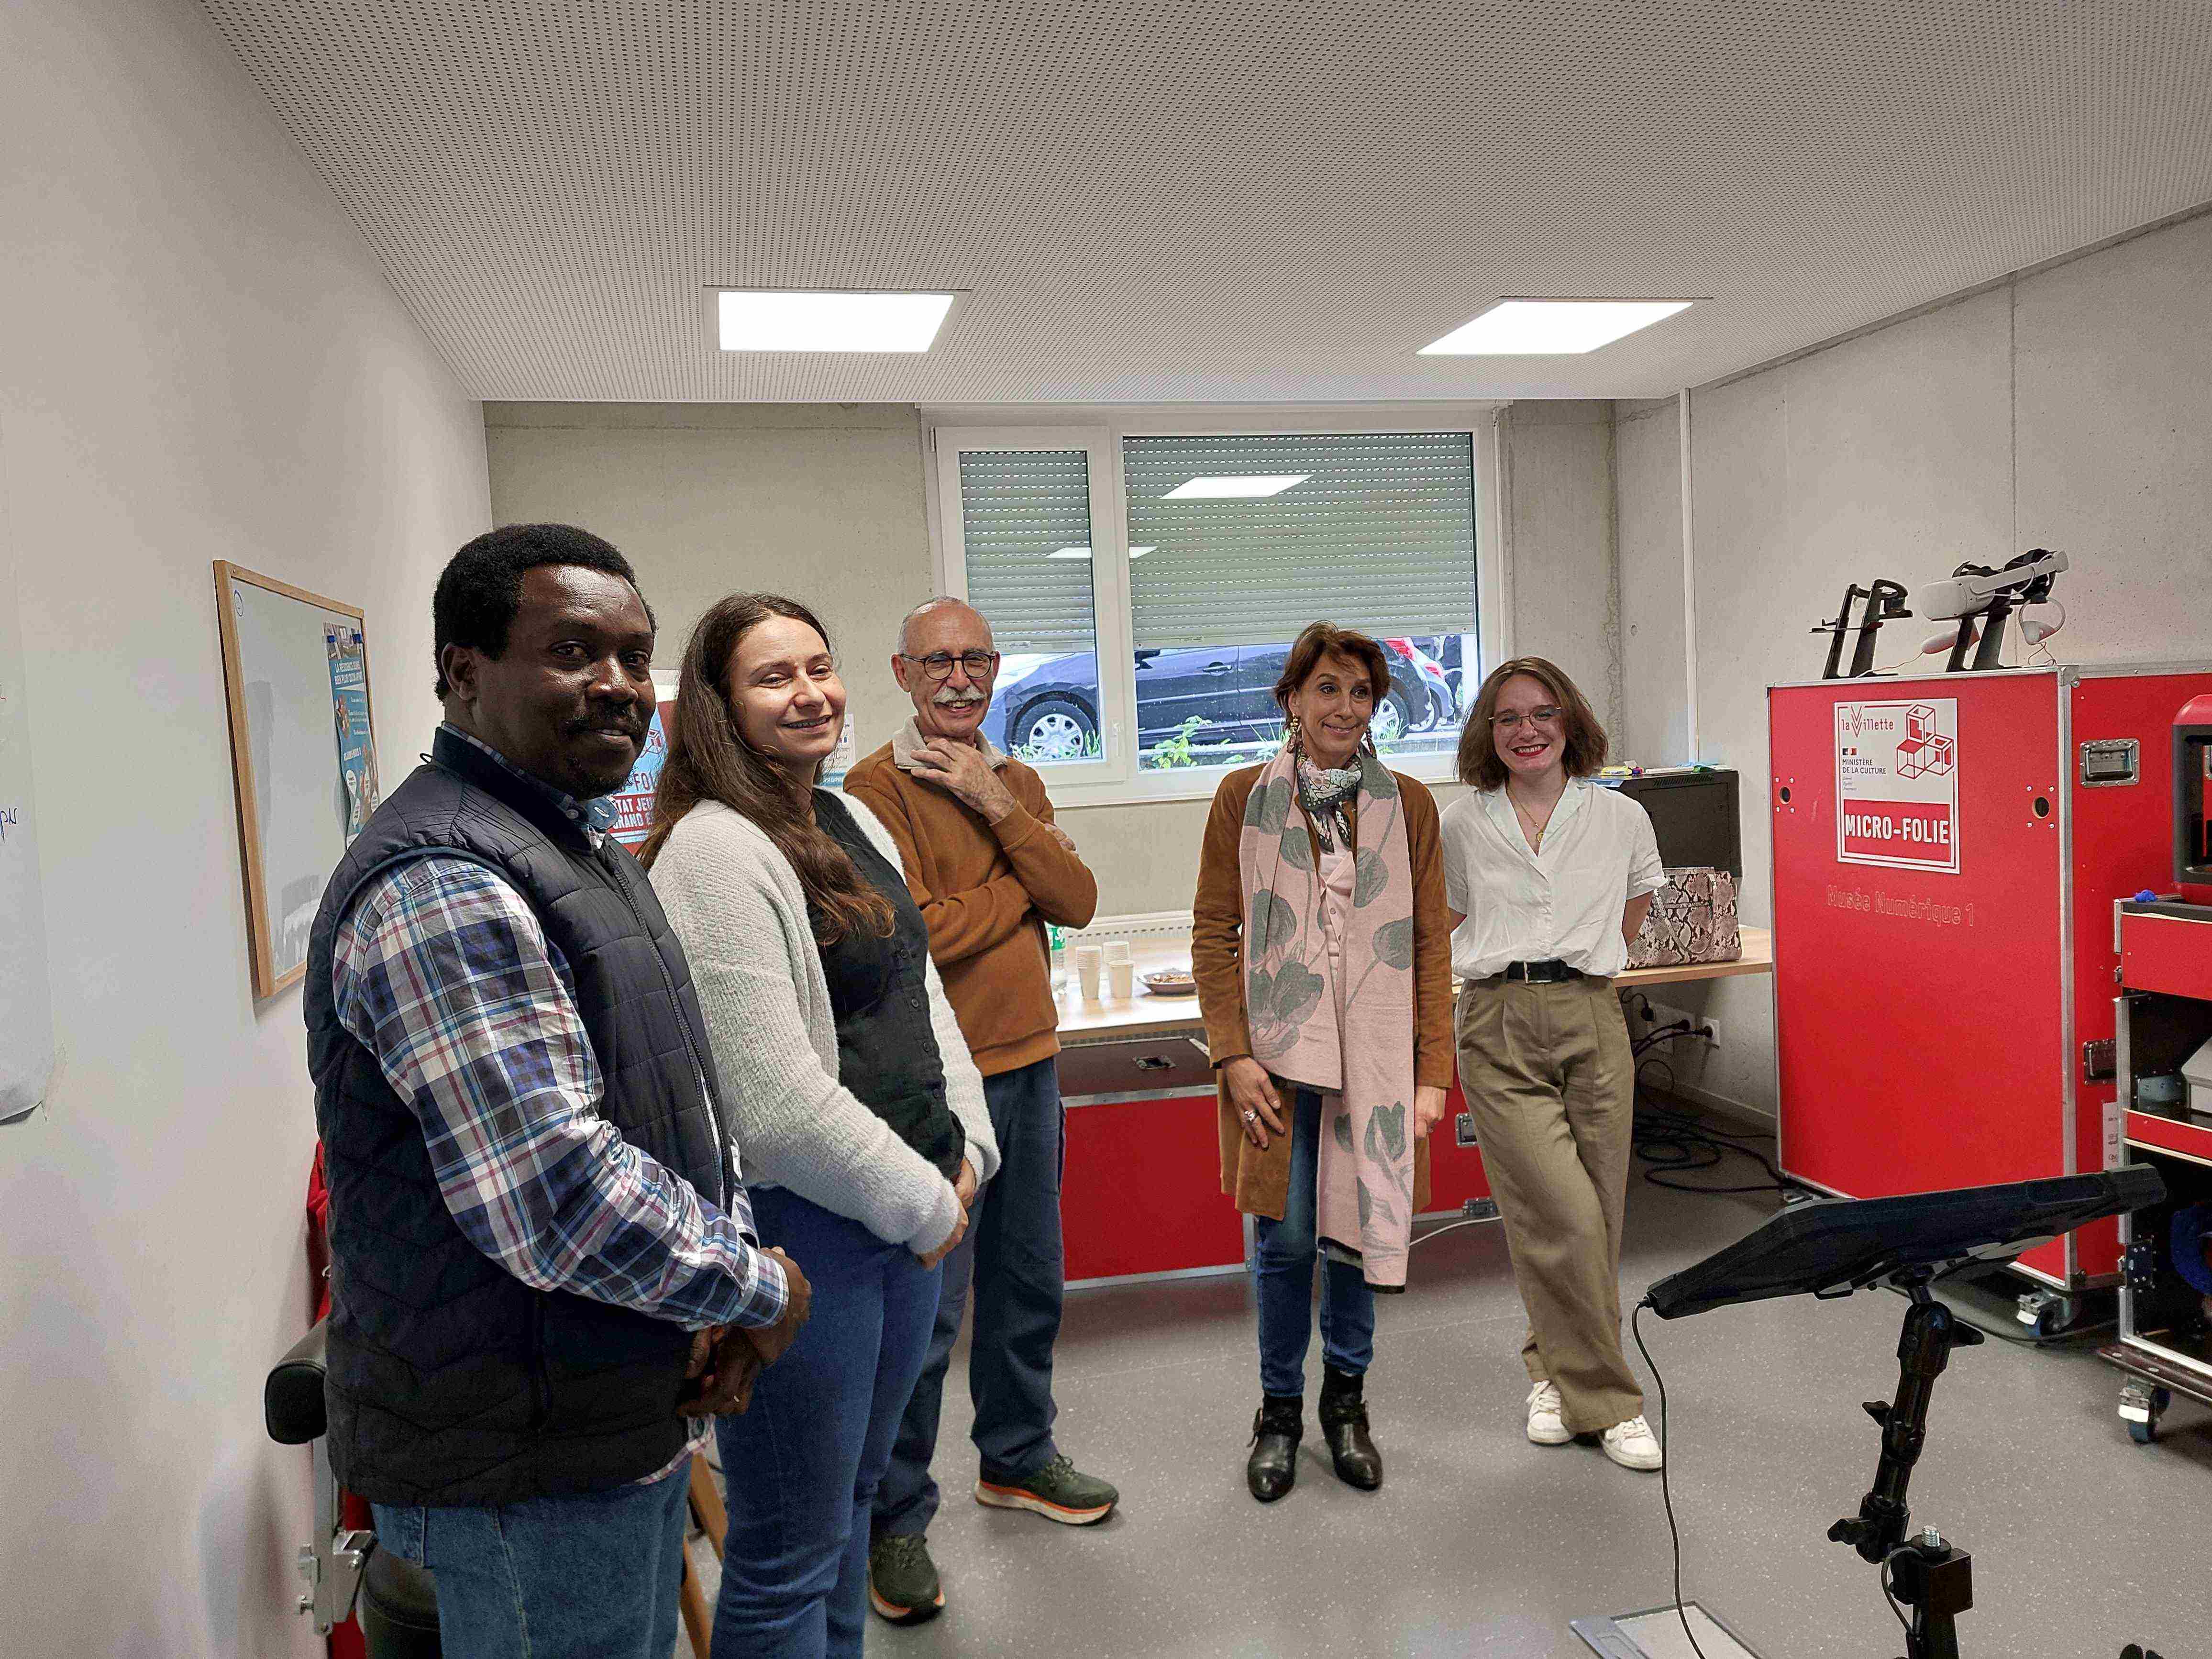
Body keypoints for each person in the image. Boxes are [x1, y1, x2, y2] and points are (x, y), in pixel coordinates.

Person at [305, 524, 810, 1659]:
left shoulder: (577, 845)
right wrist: (752, 1287)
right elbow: (557, 1195)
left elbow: (670, 1108)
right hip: (518, 1472)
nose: (620, 687)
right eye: (575, 652)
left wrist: (700, 1301)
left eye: (637, 657)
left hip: (594, 1420)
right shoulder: (444, 881)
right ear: (462, 671)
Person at [642, 593, 1001, 1659]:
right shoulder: (713, 853)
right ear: (716, 708)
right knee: (787, 1552)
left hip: (906, 1225)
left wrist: (968, 1146)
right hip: (811, 1235)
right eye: (772, 677)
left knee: (849, 1509)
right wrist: (927, 1201)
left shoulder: (844, 816)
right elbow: (770, 1105)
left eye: (818, 666)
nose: (809, 694)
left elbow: (920, 996)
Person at [844, 597, 1118, 1625]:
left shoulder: (1018, 779)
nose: (958, 679)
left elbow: (1080, 898)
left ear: (996, 670)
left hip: (1031, 1066)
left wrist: (1004, 815)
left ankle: (1016, 1457)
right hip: (934, 1086)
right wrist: (1022, 872)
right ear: (902, 673)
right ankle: (895, 1520)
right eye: (937, 663)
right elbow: (910, 936)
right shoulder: (872, 792)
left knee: (1025, 1281)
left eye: (975, 660)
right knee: (925, 1315)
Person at [1191, 622, 1455, 1503]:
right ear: (1292, 701)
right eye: (1327, 690)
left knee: (1355, 1238)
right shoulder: (1241, 798)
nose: (1345, 707)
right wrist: (1232, 1054)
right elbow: (1214, 933)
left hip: (1377, 1063)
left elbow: (1428, 945)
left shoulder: (1408, 805)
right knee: (1286, 1240)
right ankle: (1278, 1413)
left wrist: (1430, 1074)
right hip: (1276, 1062)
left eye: (1360, 693)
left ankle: (1347, 1405)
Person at [1439, 655, 1667, 1472]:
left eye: (1541, 714)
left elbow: (1638, 906)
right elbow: (1451, 921)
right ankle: (1609, 1402)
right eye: (1507, 718)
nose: (1526, 731)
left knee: (1594, 1218)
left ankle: (1550, 1373)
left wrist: (1586, 960)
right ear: (1488, 735)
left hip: (1592, 1013)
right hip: (1497, 1019)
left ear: (1568, 723)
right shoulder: (1464, 824)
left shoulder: (1618, 819)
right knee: (1558, 1214)